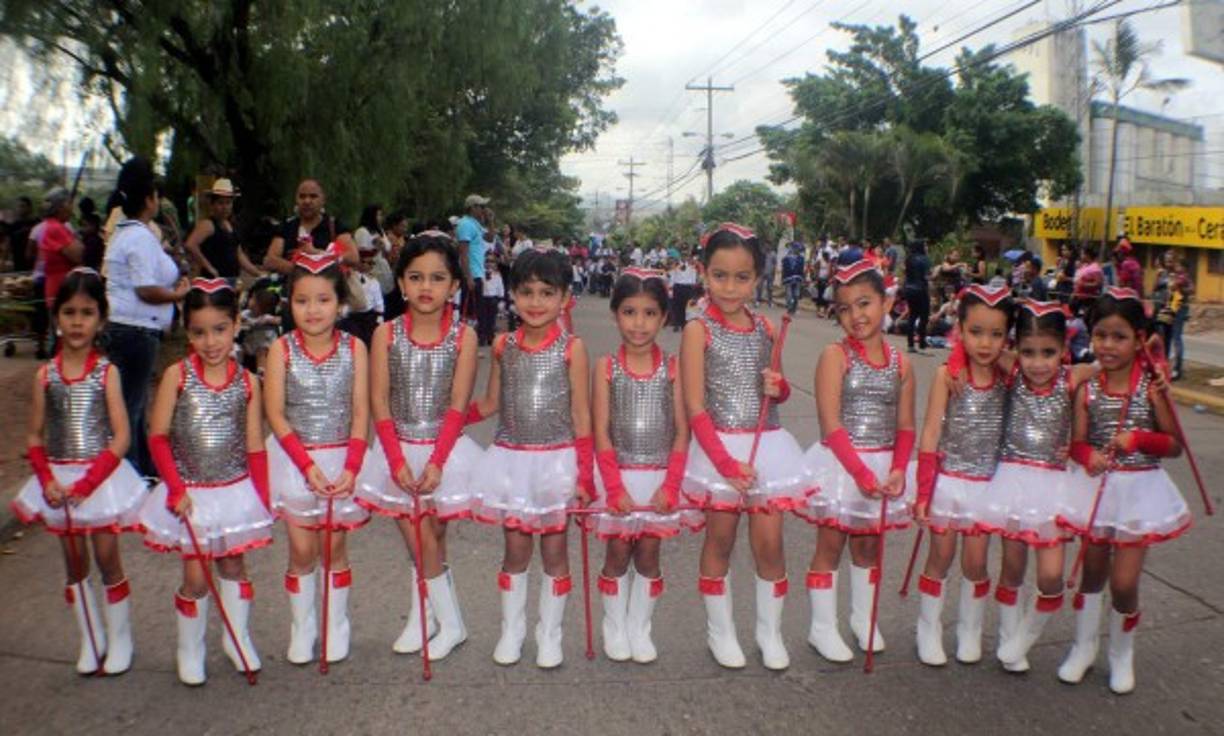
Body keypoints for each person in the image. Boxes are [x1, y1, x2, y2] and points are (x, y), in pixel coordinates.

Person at [680, 224, 812, 671]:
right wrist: (725, 464)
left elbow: (775, 394)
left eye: (741, 277)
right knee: (719, 540)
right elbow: (696, 407)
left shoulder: (766, 328)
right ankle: (721, 633)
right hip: (719, 452)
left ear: (757, 277)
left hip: (766, 448)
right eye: (719, 276)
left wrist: (779, 389)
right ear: (703, 272)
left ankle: (769, 632)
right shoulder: (698, 330)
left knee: (770, 545)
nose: (730, 287)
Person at [138, 279, 274, 685]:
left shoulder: (248, 383)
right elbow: (158, 436)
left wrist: (262, 501)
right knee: (196, 577)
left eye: (219, 329)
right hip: (191, 495)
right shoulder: (177, 377)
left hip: (234, 489)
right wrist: (176, 488)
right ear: (187, 332)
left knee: (234, 563)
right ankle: (190, 647)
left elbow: (254, 446)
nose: (210, 341)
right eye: (198, 332)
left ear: (236, 325)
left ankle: (237, 637)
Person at [11, 268, 146, 675]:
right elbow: (35, 436)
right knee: (74, 564)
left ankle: (120, 638)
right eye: (68, 312)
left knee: (107, 558)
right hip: (59, 482)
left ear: (101, 319)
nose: (76, 322)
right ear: (56, 318)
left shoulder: (107, 373)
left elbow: (121, 436)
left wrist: (89, 482)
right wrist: (47, 479)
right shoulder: (45, 376)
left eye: (87, 313)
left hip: (99, 482)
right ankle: (91, 637)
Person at [1057, 287, 1190, 694]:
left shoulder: (1153, 388)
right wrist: (1086, 457)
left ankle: (1121, 653)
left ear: (1139, 338)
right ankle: (1082, 648)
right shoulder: (1087, 387)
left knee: (1124, 583)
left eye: (1119, 337)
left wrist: (1138, 440)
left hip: (1138, 493)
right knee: (1092, 573)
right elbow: (1076, 443)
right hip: (1097, 489)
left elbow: (1174, 446)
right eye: (1100, 335)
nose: (1108, 345)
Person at [466, 249, 594, 669]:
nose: (536, 302)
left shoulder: (572, 349)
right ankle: (512, 630)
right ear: (512, 296)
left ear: (564, 298)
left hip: (556, 462)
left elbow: (580, 415)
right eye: (526, 292)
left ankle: (549, 634)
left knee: (555, 552)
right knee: (515, 550)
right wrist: (443, 423)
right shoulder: (503, 345)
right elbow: (489, 403)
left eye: (547, 292)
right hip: (511, 462)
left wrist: (586, 474)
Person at [357, 232, 480, 661]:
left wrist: (438, 462)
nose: (426, 287)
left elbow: (457, 405)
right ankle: (444, 621)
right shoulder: (385, 334)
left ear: (454, 286)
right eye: (415, 277)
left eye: (437, 278)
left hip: (444, 451)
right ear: (401, 283)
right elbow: (379, 402)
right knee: (419, 540)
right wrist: (394, 461)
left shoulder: (463, 337)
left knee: (432, 537)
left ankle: (431, 618)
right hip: (398, 450)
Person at [797, 259, 915, 664]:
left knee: (868, 548)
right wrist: (861, 474)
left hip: (882, 467)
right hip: (842, 467)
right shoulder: (835, 355)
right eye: (844, 308)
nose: (855, 316)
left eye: (864, 304)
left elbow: (905, 427)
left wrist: (898, 468)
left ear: (886, 302)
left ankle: (864, 619)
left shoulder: (901, 362)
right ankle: (822, 627)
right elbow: (831, 425)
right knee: (831, 544)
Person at [263, 251, 371, 666]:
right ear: (289, 302)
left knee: (334, 546)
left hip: (342, 461)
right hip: (296, 461)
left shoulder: (354, 348)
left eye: (323, 300)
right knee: (301, 551)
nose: (312, 310)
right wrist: (306, 466)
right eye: (302, 300)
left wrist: (352, 468)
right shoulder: (281, 350)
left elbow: (361, 411)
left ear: (340, 302)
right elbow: (275, 413)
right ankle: (302, 626)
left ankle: (336, 623)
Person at [980, 301, 1098, 673]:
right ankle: (1007, 637)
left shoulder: (1072, 377)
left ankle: (1024, 637)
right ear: (1017, 349)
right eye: (1028, 352)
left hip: (1054, 485)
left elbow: (1113, 361)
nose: (1038, 362)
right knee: (1012, 568)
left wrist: (1154, 362)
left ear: (1064, 349)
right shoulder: (1012, 370)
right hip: (1012, 480)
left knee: (1050, 577)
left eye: (1048, 352)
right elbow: (980, 344)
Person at [589, 269, 697, 663]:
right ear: (615, 314)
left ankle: (640, 628)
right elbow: (601, 431)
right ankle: (613, 626)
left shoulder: (673, 368)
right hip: (616, 477)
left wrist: (671, 486)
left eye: (650, 313)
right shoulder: (605, 367)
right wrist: (613, 489)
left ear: (665, 317)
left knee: (649, 556)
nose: (639, 323)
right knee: (617, 554)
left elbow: (682, 433)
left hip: (659, 481)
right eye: (630, 312)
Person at [911, 285, 1011, 666]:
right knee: (941, 554)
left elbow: (1036, 366)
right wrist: (923, 492)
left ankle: (970, 629)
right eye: (976, 332)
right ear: (960, 330)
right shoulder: (947, 375)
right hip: (949, 481)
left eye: (997, 334)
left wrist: (1006, 358)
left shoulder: (1008, 377)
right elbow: (931, 433)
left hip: (986, 485)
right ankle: (928, 626)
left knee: (976, 561)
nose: (985, 343)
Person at [103, 157, 191, 477]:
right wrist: (178, 294)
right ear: (149, 199)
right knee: (130, 405)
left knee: (135, 404)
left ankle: (141, 467)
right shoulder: (139, 237)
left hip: (132, 329)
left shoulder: (125, 233)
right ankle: (125, 471)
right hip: (136, 330)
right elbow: (145, 289)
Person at [264, 179, 358, 275]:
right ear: (296, 200)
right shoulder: (286, 226)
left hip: (327, 285)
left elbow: (353, 257)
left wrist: (317, 254)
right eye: (302, 196)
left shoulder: (335, 226)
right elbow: (270, 260)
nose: (307, 201)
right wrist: (301, 271)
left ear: (323, 200)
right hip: (291, 285)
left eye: (313, 196)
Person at [182, 179, 261, 284]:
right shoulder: (208, 224)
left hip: (231, 279)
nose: (225, 207)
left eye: (228, 203)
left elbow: (239, 254)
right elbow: (190, 244)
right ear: (212, 204)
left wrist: (257, 273)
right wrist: (209, 267)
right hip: (213, 281)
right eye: (220, 203)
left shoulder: (232, 226)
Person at [37, 187, 84, 309]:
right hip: (61, 289)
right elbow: (78, 255)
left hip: (60, 288)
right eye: (69, 203)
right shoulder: (56, 228)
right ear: (61, 206)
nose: (72, 208)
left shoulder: (54, 226)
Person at [455, 195, 493, 345]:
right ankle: (467, 341)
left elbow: (490, 238)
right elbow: (463, 253)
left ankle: (475, 339)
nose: (484, 210)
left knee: (477, 309)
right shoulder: (465, 224)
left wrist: (490, 221)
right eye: (481, 207)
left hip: (477, 272)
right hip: (471, 274)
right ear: (472, 208)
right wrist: (468, 276)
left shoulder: (475, 224)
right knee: (470, 310)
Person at [902, 240, 932, 353]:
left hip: (909, 289)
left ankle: (910, 345)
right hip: (921, 289)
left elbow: (905, 272)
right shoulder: (925, 259)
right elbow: (928, 275)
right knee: (924, 316)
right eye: (925, 245)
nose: (926, 247)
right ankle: (922, 344)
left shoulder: (909, 258)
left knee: (912, 315)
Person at [668, 256, 698, 330]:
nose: (684, 257)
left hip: (687, 287)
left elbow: (693, 276)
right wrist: (671, 286)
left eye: (686, 254)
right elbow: (673, 275)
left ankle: (684, 323)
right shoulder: (676, 265)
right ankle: (677, 323)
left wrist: (693, 286)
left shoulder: (691, 266)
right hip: (678, 287)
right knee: (677, 306)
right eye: (683, 254)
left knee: (686, 306)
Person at [781, 242, 805, 315]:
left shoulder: (801, 258)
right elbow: (783, 269)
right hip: (788, 278)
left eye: (797, 248)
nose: (796, 250)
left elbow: (802, 269)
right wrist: (782, 278)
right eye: (795, 248)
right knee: (789, 294)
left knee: (796, 295)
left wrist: (803, 278)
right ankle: (789, 308)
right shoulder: (786, 258)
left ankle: (794, 308)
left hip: (798, 278)